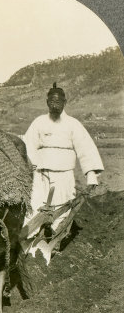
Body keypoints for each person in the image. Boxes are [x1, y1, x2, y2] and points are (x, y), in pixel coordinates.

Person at [22, 82, 104, 241]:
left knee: (63, 207)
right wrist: (30, 164)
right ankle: (29, 239)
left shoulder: (73, 124)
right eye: (51, 101)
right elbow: (28, 145)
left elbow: (86, 149)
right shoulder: (39, 122)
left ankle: (55, 238)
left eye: (58, 102)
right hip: (41, 174)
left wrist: (91, 174)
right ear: (47, 102)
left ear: (65, 103)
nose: (55, 104)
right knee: (34, 204)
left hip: (64, 176)